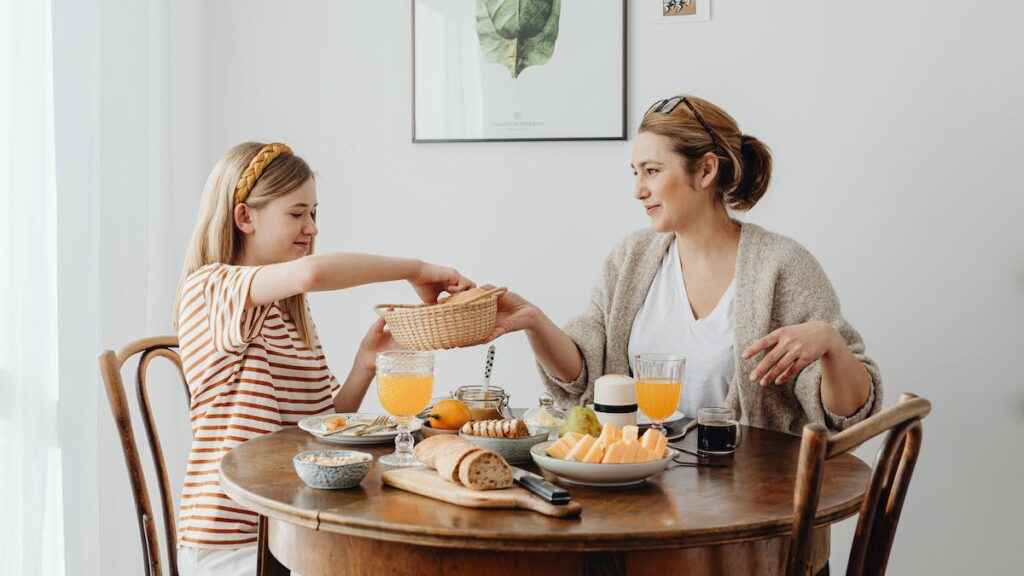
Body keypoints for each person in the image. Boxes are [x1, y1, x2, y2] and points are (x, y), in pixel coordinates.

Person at [487, 95, 881, 435]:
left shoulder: (781, 267)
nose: (638, 190)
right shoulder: (632, 257)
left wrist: (830, 343)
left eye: (652, 171)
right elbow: (583, 375)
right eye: (636, 172)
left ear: (706, 170)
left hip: (750, 500)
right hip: (637, 487)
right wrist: (533, 320)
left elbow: (849, 416)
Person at [172, 142, 473, 575]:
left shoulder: (286, 309)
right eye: (296, 214)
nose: (310, 228)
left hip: (289, 531)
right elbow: (314, 272)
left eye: (314, 214)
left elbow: (321, 424)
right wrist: (417, 269)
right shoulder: (211, 289)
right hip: (235, 542)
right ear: (244, 217)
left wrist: (364, 364)